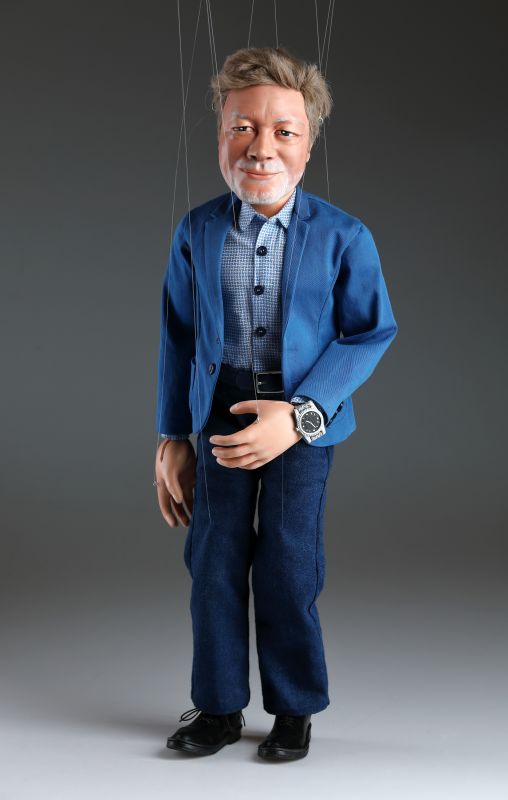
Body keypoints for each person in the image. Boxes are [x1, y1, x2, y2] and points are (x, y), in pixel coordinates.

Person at [154, 45, 398, 761]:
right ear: (220, 135)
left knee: (289, 565)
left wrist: (299, 416)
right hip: (221, 412)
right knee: (213, 561)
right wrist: (172, 434)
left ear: (308, 143)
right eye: (243, 127)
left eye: (283, 131)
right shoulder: (197, 231)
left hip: (301, 420)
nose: (261, 148)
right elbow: (177, 333)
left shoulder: (344, 236)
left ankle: (294, 708)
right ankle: (218, 705)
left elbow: (370, 332)